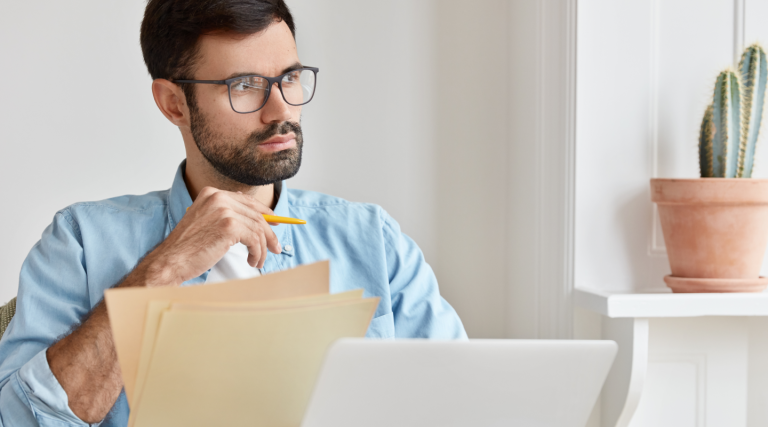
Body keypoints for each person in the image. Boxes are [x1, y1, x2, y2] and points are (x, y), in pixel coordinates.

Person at [0, 0, 466, 425]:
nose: (280, 109)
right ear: (173, 104)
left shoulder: (374, 243)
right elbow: (17, 419)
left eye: (289, 77)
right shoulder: (80, 241)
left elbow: (463, 403)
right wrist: (163, 270)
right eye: (244, 86)